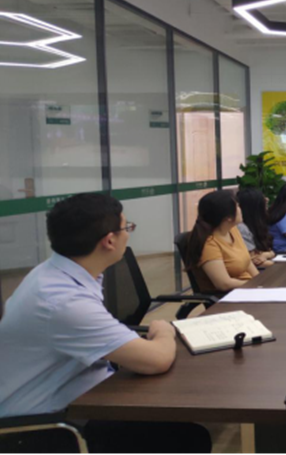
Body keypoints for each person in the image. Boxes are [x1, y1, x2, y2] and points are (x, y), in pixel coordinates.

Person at [0, 193, 211, 453]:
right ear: (109, 240)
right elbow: (157, 360)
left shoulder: (55, 272)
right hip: (46, 429)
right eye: (127, 227)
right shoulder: (62, 301)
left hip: (82, 396)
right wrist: (163, 331)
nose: (128, 235)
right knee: (186, 439)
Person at [184, 190, 259, 293]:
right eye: (237, 206)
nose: (240, 209)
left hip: (247, 288)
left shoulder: (232, 230)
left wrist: (261, 282)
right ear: (228, 218)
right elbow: (224, 284)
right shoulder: (209, 244)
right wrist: (255, 285)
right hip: (230, 295)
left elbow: (247, 262)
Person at [237, 188, 276, 268]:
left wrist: (266, 254)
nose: (267, 199)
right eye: (263, 199)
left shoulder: (258, 223)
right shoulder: (241, 228)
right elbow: (254, 261)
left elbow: (269, 251)